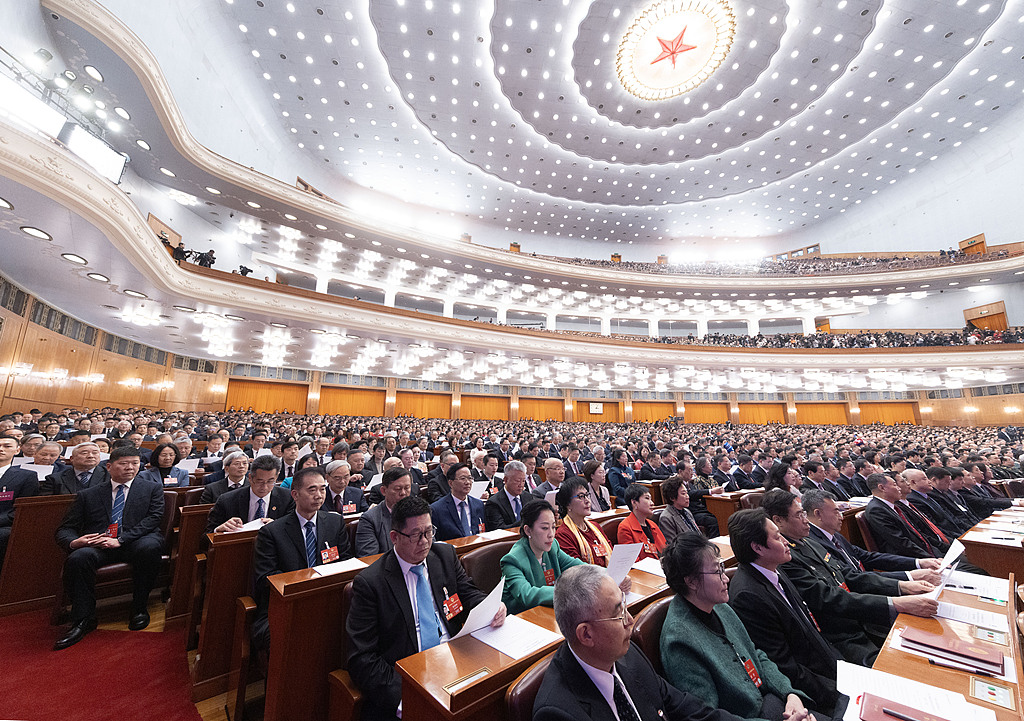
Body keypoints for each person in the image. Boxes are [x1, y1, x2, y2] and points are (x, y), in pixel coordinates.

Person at [346, 496, 506, 721]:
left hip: (455, 658)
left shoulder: (444, 556)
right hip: (408, 674)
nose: (425, 541)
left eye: (429, 532)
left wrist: (492, 607)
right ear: (394, 537)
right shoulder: (371, 583)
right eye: (415, 535)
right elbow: (362, 659)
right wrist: (404, 697)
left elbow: (468, 594)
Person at [533, 564, 748, 721]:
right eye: (618, 614)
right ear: (586, 635)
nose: (630, 621)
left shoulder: (628, 654)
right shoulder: (557, 712)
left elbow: (683, 706)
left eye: (625, 607)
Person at [763, 489, 937, 666]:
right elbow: (827, 598)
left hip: (862, 619)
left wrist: (902, 586)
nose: (806, 520)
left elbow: (850, 575)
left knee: (928, 645)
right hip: (842, 636)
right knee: (909, 667)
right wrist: (896, 602)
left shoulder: (808, 541)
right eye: (799, 514)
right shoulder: (784, 556)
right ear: (778, 520)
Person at [660, 532, 817, 721]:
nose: (725, 578)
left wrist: (789, 693)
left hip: (775, 703)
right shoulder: (680, 639)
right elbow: (707, 716)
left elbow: (755, 654)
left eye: (722, 567)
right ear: (691, 581)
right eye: (717, 571)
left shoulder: (720, 607)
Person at [727, 510, 847, 716]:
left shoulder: (775, 569)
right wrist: (839, 692)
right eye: (776, 537)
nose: (785, 541)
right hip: (811, 695)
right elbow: (786, 667)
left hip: (830, 670)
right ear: (757, 547)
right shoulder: (749, 596)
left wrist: (845, 671)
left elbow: (811, 632)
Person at [53, 446, 164, 649]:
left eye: (135, 463)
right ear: (109, 466)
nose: (130, 468)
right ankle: (83, 618)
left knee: (150, 547)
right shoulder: (89, 494)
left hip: (135, 540)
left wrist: (121, 539)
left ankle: (139, 607)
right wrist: (75, 542)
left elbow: (153, 519)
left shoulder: (151, 488)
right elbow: (65, 528)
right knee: (78, 558)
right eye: (123, 464)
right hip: (99, 543)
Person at [251, 467, 353, 648]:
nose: (319, 495)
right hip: (287, 605)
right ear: (295, 495)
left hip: (329, 602)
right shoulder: (272, 532)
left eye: (322, 489)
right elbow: (265, 578)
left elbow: (345, 562)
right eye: (312, 490)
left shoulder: (334, 522)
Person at [803, 490, 940, 582]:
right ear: (818, 514)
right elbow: (852, 578)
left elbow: (867, 556)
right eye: (836, 512)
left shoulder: (832, 534)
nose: (841, 516)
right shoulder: (814, 543)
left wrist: (918, 562)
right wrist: (908, 576)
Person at [500, 500, 585, 614]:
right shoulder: (512, 560)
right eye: (545, 528)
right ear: (528, 530)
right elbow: (527, 595)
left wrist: (607, 575)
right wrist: (568, 592)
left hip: (547, 612)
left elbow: (579, 567)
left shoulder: (553, 546)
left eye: (554, 527)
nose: (551, 534)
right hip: (523, 619)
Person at [205, 455, 293, 534]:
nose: (264, 487)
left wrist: (278, 527)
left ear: (276, 477)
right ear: (250, 478)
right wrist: (218, 530)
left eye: (270, 481)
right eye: (259, 481)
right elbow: (205, 537)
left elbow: (294, 533)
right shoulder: (227, 500)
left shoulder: (288, 498)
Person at [0, 433, 40, 570]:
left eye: (7, 446)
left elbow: (23, 510)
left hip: (5, 524)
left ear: (17, 450)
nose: (1, 449)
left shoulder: (26, 476)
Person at [554, 477, 615, 566]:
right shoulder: (563, 534)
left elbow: (611, 551)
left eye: (587, 495)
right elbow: (577, 569)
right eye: (581, 497)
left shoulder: (595, 527)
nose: (587, 501)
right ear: (568, 504)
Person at [354, 467, 412, 557]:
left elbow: (430, 544)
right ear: (384, 491)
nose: (403, 493)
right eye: (398, 489)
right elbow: (369, 558)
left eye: (407, 488)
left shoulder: (419, 512)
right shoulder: (370, 519)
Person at [431, 462, 487, 541]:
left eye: (470, 478)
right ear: (451, 483)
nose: (467, 482)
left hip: (478, 548)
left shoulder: (478, 504)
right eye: (463, 478)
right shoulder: (437, 509)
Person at [617, 483, 666, 560]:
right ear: (634, 503)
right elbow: (632, 561)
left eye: (651, 499)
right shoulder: (625, 527)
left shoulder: (652, 525)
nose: (652, 503)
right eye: (647, 498)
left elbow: (666, 550)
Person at [42, 441, 109, 495]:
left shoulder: (111, 475)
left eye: (95, 453)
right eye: (84, 453)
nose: (90, 456)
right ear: (72, 458)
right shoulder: (55, 479)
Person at [484, 459, 532, 530]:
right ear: (506, 480)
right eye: (517, 481)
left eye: (523, 481)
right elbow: (499, 529)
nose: (521, 485)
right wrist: (525, 522)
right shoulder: (494, 503)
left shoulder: (528, 497)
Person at [658, 475, 704, 543]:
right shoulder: (666, 518)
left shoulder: (687, 511)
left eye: (687, 493)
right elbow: (674, 545)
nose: (687, 497)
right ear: (672, 498)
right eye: (683, 494)